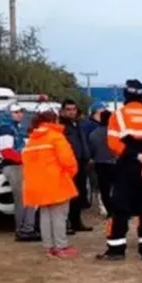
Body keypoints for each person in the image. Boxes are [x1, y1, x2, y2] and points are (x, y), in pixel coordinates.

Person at [97, 81, 142, 261]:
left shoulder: (118, 115)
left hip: (126, 166)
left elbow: (112, 143)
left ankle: (116, 250)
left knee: (120, 208)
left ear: (125, 95)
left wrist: (134, 155)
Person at [21, 108, 80, 258]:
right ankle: (61, 246)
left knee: (45, 215)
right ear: (54, 121)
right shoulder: (56, 137)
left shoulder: (32, 139)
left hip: (37, 185)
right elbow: (68, 160)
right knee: (59, 215)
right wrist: (69, 174)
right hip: (56, 182)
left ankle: (49, 247)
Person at [0, 103, 38, 242]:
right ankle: (23, 230)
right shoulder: (6, 128)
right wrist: (24, 159)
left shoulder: (15, 127)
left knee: (27, 197)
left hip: (19, 165)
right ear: (9, 114)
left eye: (21, 111)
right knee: (22, 198)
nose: (20, 114)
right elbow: (6, 151)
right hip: (14, 166)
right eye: (16, 112)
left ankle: (27, 228)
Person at [58, 98, 93, 233]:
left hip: (81, 163)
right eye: (68, 110)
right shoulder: (61, 126)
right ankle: (67, 223)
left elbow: (83, 142)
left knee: (79, 193)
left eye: (73, 109)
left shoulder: (78, 124)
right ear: (62, 111)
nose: (71, 112)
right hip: (69, 164)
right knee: (69, 195)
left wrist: (87, 156)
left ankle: (76, 222)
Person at [87, 108, 115, 217]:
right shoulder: (115, 134)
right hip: (115, 163)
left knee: (104, 190)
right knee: (117, 188)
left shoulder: (93, 134)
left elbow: (91, 151)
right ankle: (118, 210)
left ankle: (109, 211)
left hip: (100, 164)